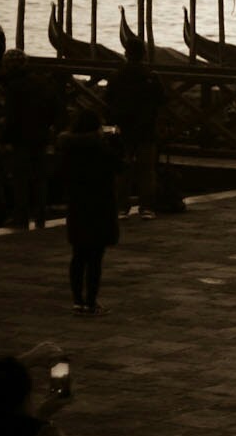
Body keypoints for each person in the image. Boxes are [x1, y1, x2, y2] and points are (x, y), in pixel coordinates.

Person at [57, 110, 119, 315]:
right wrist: (117, 142)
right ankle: (91, 302)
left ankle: (77, 301)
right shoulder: (102, 149)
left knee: (78, 255)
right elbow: (119, 167)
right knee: (95, 258)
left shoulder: (67, 148)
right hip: (99, 205)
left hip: (77, 204)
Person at [0, 51, 62, 232]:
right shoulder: (41, 82)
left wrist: (4, 137)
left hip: (21, 137)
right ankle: (40, 214)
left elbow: (11, 116)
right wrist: (50, 127)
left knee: (21, 178)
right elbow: (55, 108)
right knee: (39, 177)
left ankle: (21, 216)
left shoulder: (13, 86)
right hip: (41, 135)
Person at [103, 37, 164, 218]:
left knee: (122, 168)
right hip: (146, 127)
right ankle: (147, 208)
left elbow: (108, 99)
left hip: (123, 127)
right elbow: (161, 100)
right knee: (147, 170)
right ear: (144, 54)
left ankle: (122, 207)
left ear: (126, 54)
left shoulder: (116, 75)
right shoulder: (151, 76)